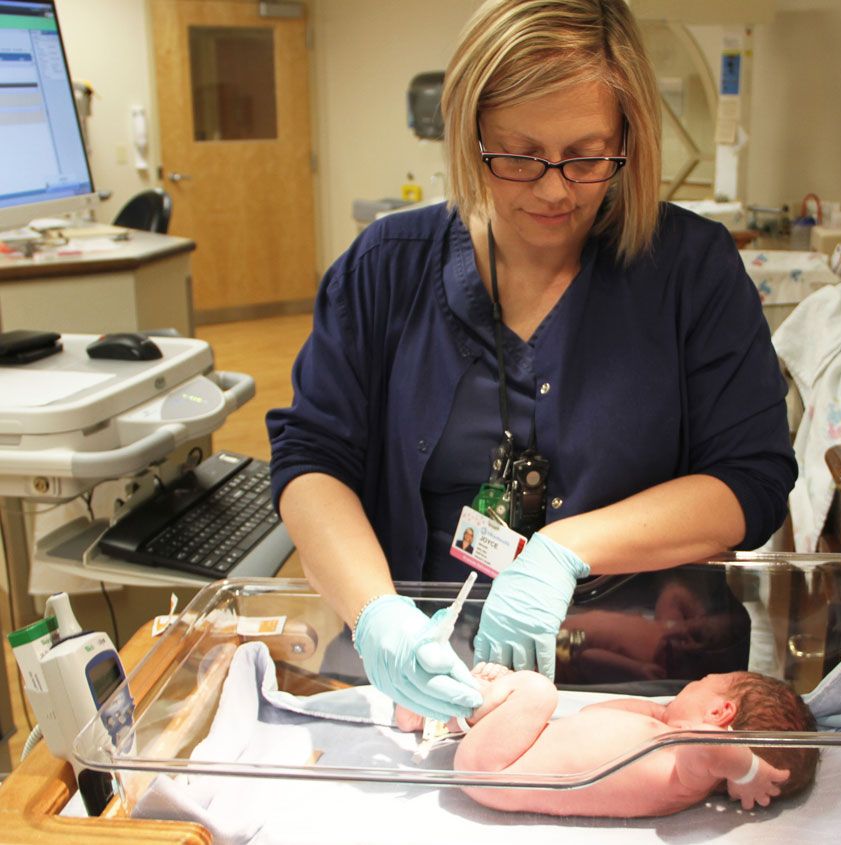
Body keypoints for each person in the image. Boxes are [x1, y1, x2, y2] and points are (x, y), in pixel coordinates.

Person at [266, 0, 796, 723]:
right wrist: (376, 615)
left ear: (629, 137)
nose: (554, 188)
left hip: (647, 681)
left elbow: (752, 479)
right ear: (468, 132)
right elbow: (312, 461)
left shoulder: (689, 273)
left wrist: (561, 551)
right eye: (518, 155)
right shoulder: (385, 269)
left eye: (586, 155)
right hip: (431, 680)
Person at [395, 664, 819, 818]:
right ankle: (443, 710)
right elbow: (591, 716)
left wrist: (747, 769)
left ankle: (443, 700)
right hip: (501, 762)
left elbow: (708, 746)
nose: (689, 685)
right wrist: (660, 711)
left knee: (537, 691)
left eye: (701, 682)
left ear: (719, 714)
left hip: (494, 770)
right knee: (523, 697)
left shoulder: (689, 768)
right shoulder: (662, 740)